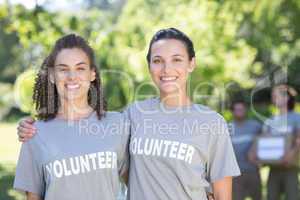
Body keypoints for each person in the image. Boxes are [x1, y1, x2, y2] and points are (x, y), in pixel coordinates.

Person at [17, 28, 240, 200]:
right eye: (158, 61)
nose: (167, 69)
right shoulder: (132, 115)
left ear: (192, 63)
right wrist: (29, 127)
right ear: (149, 66)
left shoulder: (212, 123)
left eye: (177, 60)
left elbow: (222, 195)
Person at [13, 34, 130, 200]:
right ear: (52, 76)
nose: (72, 77)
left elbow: (136, 184)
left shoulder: (117, 124)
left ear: (92, 74)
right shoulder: (34, 134)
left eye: (80, 68)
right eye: (63, 69)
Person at [262, 84, 300, 200]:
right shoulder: (270, 120)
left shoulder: (296, 118)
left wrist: (290, 155)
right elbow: (264, 142)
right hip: (273, 168)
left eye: (276, 96)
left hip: (291, 168)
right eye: (272, 96)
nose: (273, 99)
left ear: (286, 98)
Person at [229, 100, 262, 200]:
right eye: (237, 110)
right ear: (233, 112)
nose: (239, 112)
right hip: (235, 174)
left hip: (253, 171)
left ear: (246, 110)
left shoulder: (256, 126)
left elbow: (265, 143)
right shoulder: (227, 127)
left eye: (241, 109)